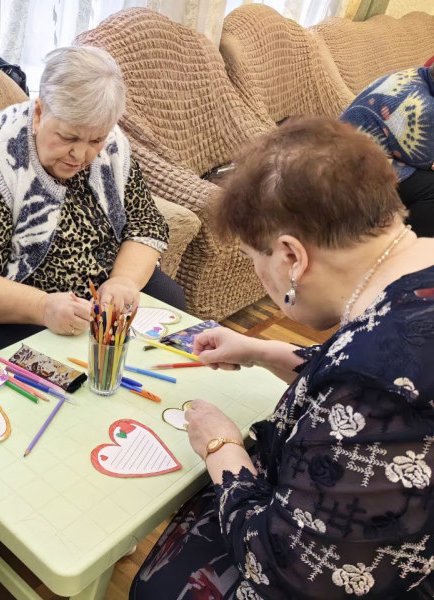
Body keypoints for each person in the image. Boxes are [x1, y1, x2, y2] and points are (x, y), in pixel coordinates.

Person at [131, 117, 434, 599]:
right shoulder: (416, 277)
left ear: (292, 257)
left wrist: (220, 447)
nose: (261, 276)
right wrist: (262, 350)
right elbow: (353, 367)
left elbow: (285, 569)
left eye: (256, 259)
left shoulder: (378, 390)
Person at [0, 46, 187, 357]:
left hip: (98, 291)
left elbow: (145, 224)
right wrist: (43, 306)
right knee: (65, 361)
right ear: (40, 112)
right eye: (68, 137)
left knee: (170, 305)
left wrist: (123, 281)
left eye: (95, 140)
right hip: (15, 308)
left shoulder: (110, 142)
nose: (80, 155)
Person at [341, 63, 434, 237]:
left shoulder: (416, 76)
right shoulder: (422, 106)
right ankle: (415, 241)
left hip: (353, 151)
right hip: (353, 174)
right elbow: (428, 161)